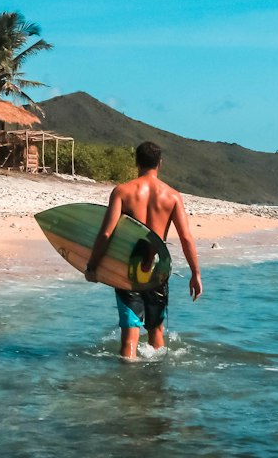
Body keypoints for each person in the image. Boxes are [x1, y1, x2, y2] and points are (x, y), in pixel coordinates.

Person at [84, 141, 203, 359]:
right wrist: (195, 274)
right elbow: (186, 238)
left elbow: (106, 234)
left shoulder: (122, 191)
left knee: (130, 336)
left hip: (128, 267)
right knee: (156, 332)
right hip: (157, 268)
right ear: (160, 163)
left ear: (136, 161)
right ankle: (155, 384)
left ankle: (128, 383)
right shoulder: (173, 196)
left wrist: (93, 265)